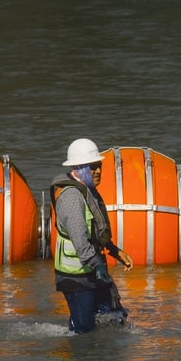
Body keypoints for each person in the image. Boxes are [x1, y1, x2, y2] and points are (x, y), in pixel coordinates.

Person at [50, 137, 134, 334]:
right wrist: (98, 267)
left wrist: (115, 251)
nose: (98, 171)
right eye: (92, 167)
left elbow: (96, 232)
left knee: (115, 317)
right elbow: (80, 242)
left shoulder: (88, 191)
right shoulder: (71, 197)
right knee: (84, 331)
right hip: (76, 278)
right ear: (78, 168)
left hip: (92, 271)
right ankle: (78, 359)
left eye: (99, 166)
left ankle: (103, 360)